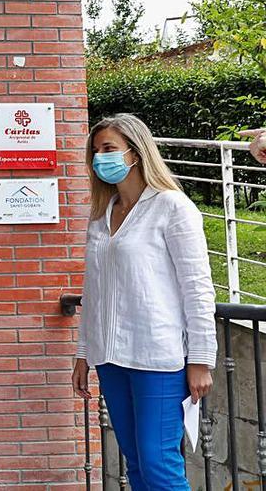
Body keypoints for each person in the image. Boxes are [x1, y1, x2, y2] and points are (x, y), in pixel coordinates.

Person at [72, 113, 217, 490]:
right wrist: (83, 353)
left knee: (158, 464)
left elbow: (198, 289)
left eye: (108, 149)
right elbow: (94, 290)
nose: (99, 158)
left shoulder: (172, 207)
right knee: (135, 462)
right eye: (95, 151)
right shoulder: (102, 215)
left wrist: (201, 359)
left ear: (135, 153)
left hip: (157, 359)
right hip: (110, 359)